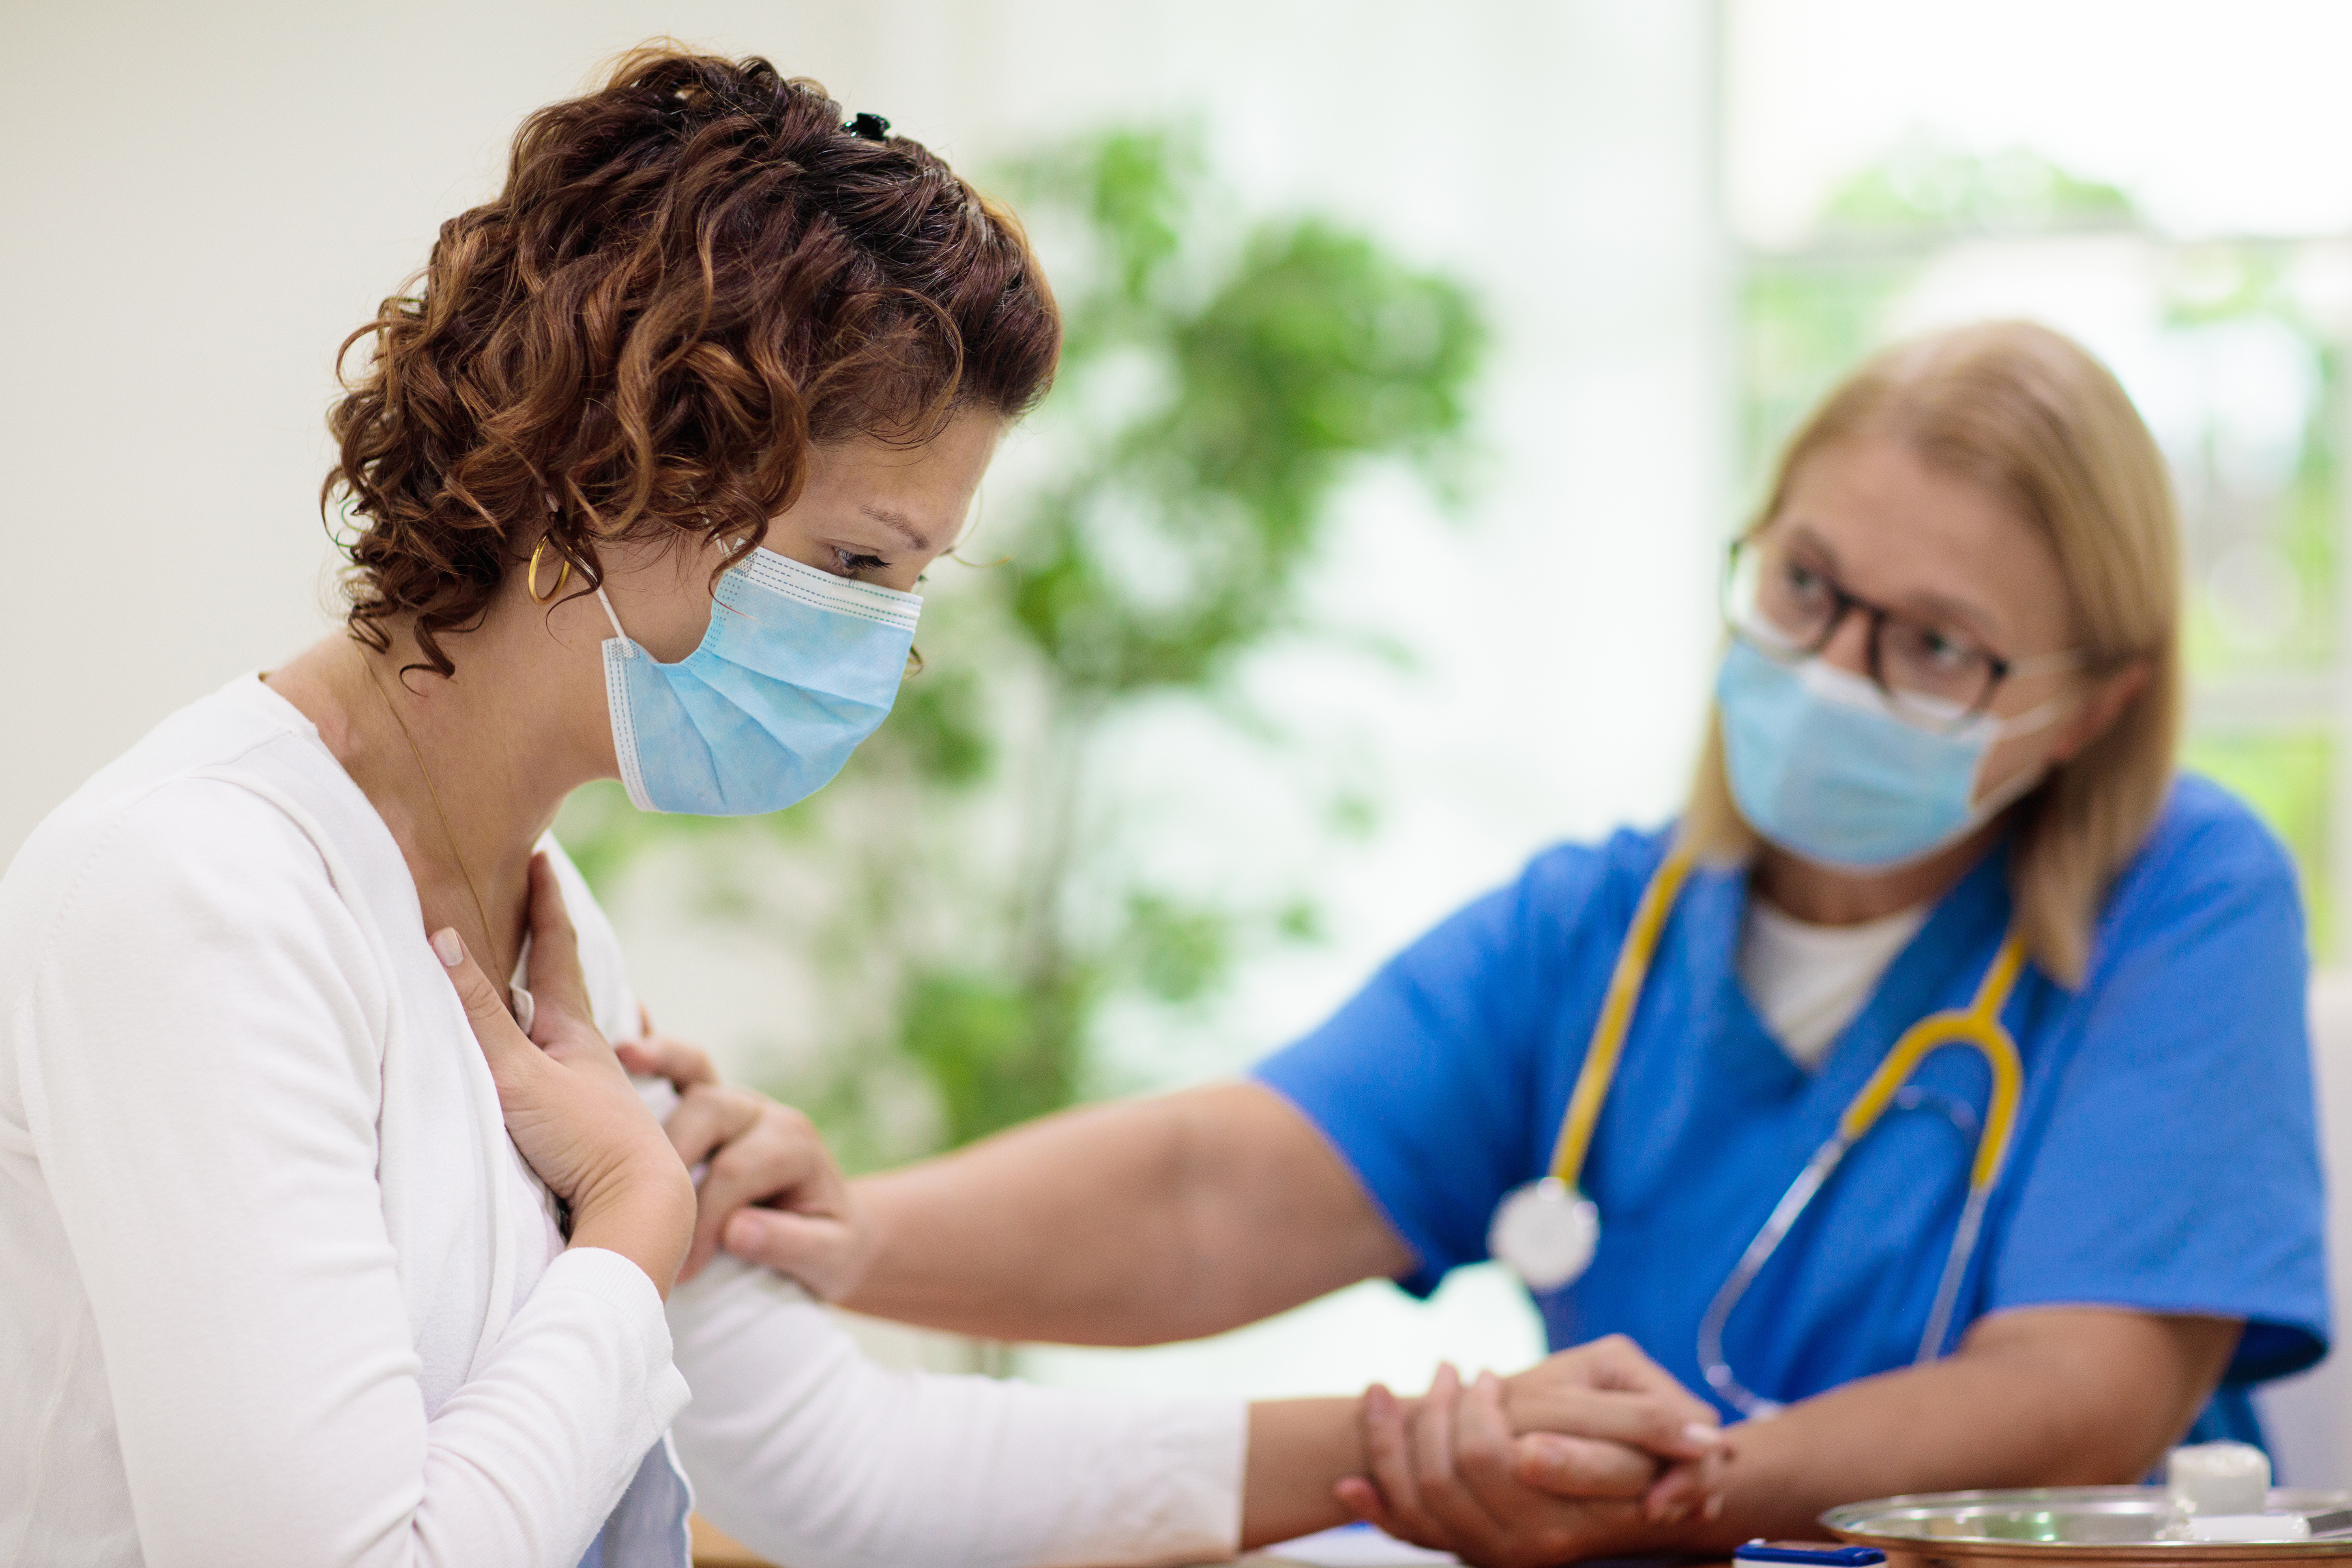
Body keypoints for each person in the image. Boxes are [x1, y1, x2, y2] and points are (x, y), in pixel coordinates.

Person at [0, 48, 1723, 1568]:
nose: (887, 657)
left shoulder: (543, 927)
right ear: (612, 472)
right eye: (855, 564)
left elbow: (851, 1468)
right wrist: (626, 1231)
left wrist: (1412, 1451)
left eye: (910, 584)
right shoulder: (195, 895)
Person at [642, 320, 2331, 1566]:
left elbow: (2087, 1387)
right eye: (1807, 587)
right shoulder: (1594, 930)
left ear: (2086, 706)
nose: (1835, 667)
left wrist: (1670, 1494)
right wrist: (840, 1231)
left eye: (1938, 647)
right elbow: (1210, 1191)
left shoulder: (2185, 892)